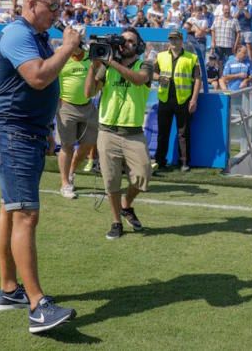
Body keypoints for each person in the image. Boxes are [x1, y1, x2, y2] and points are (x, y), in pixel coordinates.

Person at [0, 0, 81, 333]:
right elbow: (38, 77)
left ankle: (9, 290)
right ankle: (38, 306)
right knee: (25, 215)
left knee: (10, 210)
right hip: (13, 134)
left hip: (26, 132)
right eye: (53, 7)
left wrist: (47, 130)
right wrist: (68, 48)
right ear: (32, 4)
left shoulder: (37, 37)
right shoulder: (15, 33)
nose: (58, 13)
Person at [84, 27, 153, 241]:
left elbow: (139, 79)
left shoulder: (146, 65)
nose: (125, 44)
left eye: (131, 41)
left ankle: (126, 205)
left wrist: (111, 61)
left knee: (143, 176)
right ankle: (116, 222)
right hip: (107, 131)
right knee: (111, 181)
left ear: (139, 46)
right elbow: (89, 92)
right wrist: (94, 64)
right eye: (122, 41)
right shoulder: (107, 67)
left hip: (133, 132)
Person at [153, 29, 201, 172]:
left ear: (181, 41)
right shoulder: (160, 56)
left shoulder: (192, 57)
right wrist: (159, 78)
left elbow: (198, 79)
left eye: (176, 39)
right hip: (164, 99)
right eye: (171, 39)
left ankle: (184, 162)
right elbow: (153, 73)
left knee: (183, 133)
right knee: (163, 132)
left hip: (183, 100)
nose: (173, 42)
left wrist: (194, 99)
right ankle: (160, 161)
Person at [55, 40, 98, 200]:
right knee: (67, 146)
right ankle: (65, 183)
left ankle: (71, 170)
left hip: (87, 106)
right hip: (66, 106)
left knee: (88, 144)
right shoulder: (61, 57)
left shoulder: (90, 57)